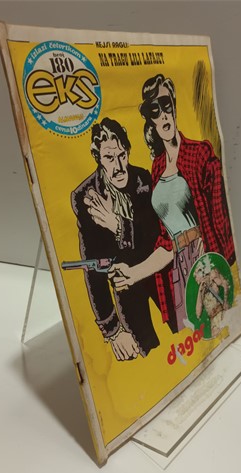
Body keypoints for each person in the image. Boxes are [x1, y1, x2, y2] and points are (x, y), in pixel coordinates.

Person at [109, 74, 235, 333]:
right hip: (176, 269)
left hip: (204, 261)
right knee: (190, 337)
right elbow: (167, 242)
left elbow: (221, 222)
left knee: (213, 330)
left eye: (166, 104)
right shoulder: (157, 168)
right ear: (150, 119)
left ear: (174, 105)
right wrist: (133, 273)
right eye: (154, 110)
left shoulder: (200, 154)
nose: (163, 114)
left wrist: (218, 266)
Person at [71, 117, 161, 360]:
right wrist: (112, 331)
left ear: (128, 151)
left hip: (155, 271)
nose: (119, 166)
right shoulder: (85, 196)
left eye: (122, 155)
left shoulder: (143, 179)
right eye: (109, 158)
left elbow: (155, 236)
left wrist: (117, 224)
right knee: (145, 353)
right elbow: (94, 267)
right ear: (98, 157)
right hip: (124, 288)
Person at [194, 255, 230, 338]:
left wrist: (225, 300)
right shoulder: (201, 289)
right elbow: (198, 313)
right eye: (196, 276)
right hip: (213, 321)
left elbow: (225, 284)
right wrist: (200, 292)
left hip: (222, 312)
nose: (197, 278)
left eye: (199, 273)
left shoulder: (212, 276)